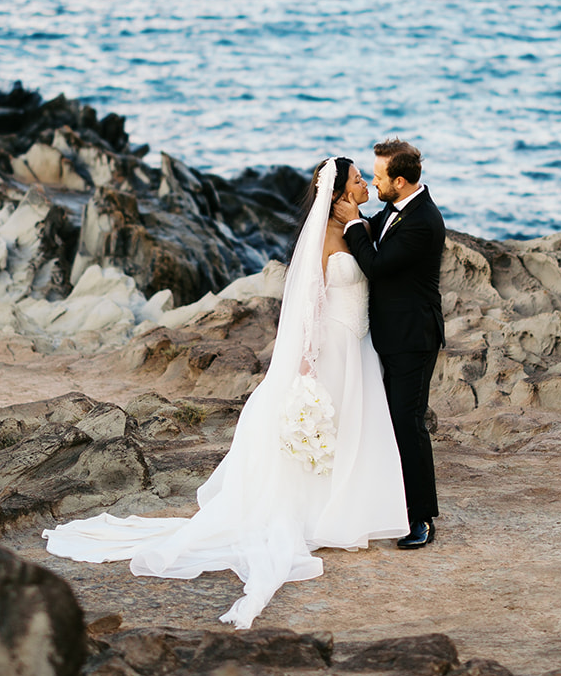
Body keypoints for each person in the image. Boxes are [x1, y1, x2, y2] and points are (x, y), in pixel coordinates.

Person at [43, 157, 407, 628]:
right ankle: (318, 514)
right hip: (333, 345)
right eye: (357, 178)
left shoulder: (360, 226)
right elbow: (308, 308)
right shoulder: (322, 237)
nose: (363, 183)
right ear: (338, 193)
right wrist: (305, 369)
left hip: (358, 342)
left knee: (356, 427)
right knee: (329, 424)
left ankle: (346, 509)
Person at [332, 138, 446, 550]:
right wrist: (357, 221)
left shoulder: (423, 222)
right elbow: (373, 233)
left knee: (408, 424)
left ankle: (422, 518)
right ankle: (391, 504)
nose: (375, 182)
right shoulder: (398, 210)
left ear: (399, 180)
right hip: (387, 335)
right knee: (387, 422)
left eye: (379, 177)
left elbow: (377, 265)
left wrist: (350, 225)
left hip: (413, 339)